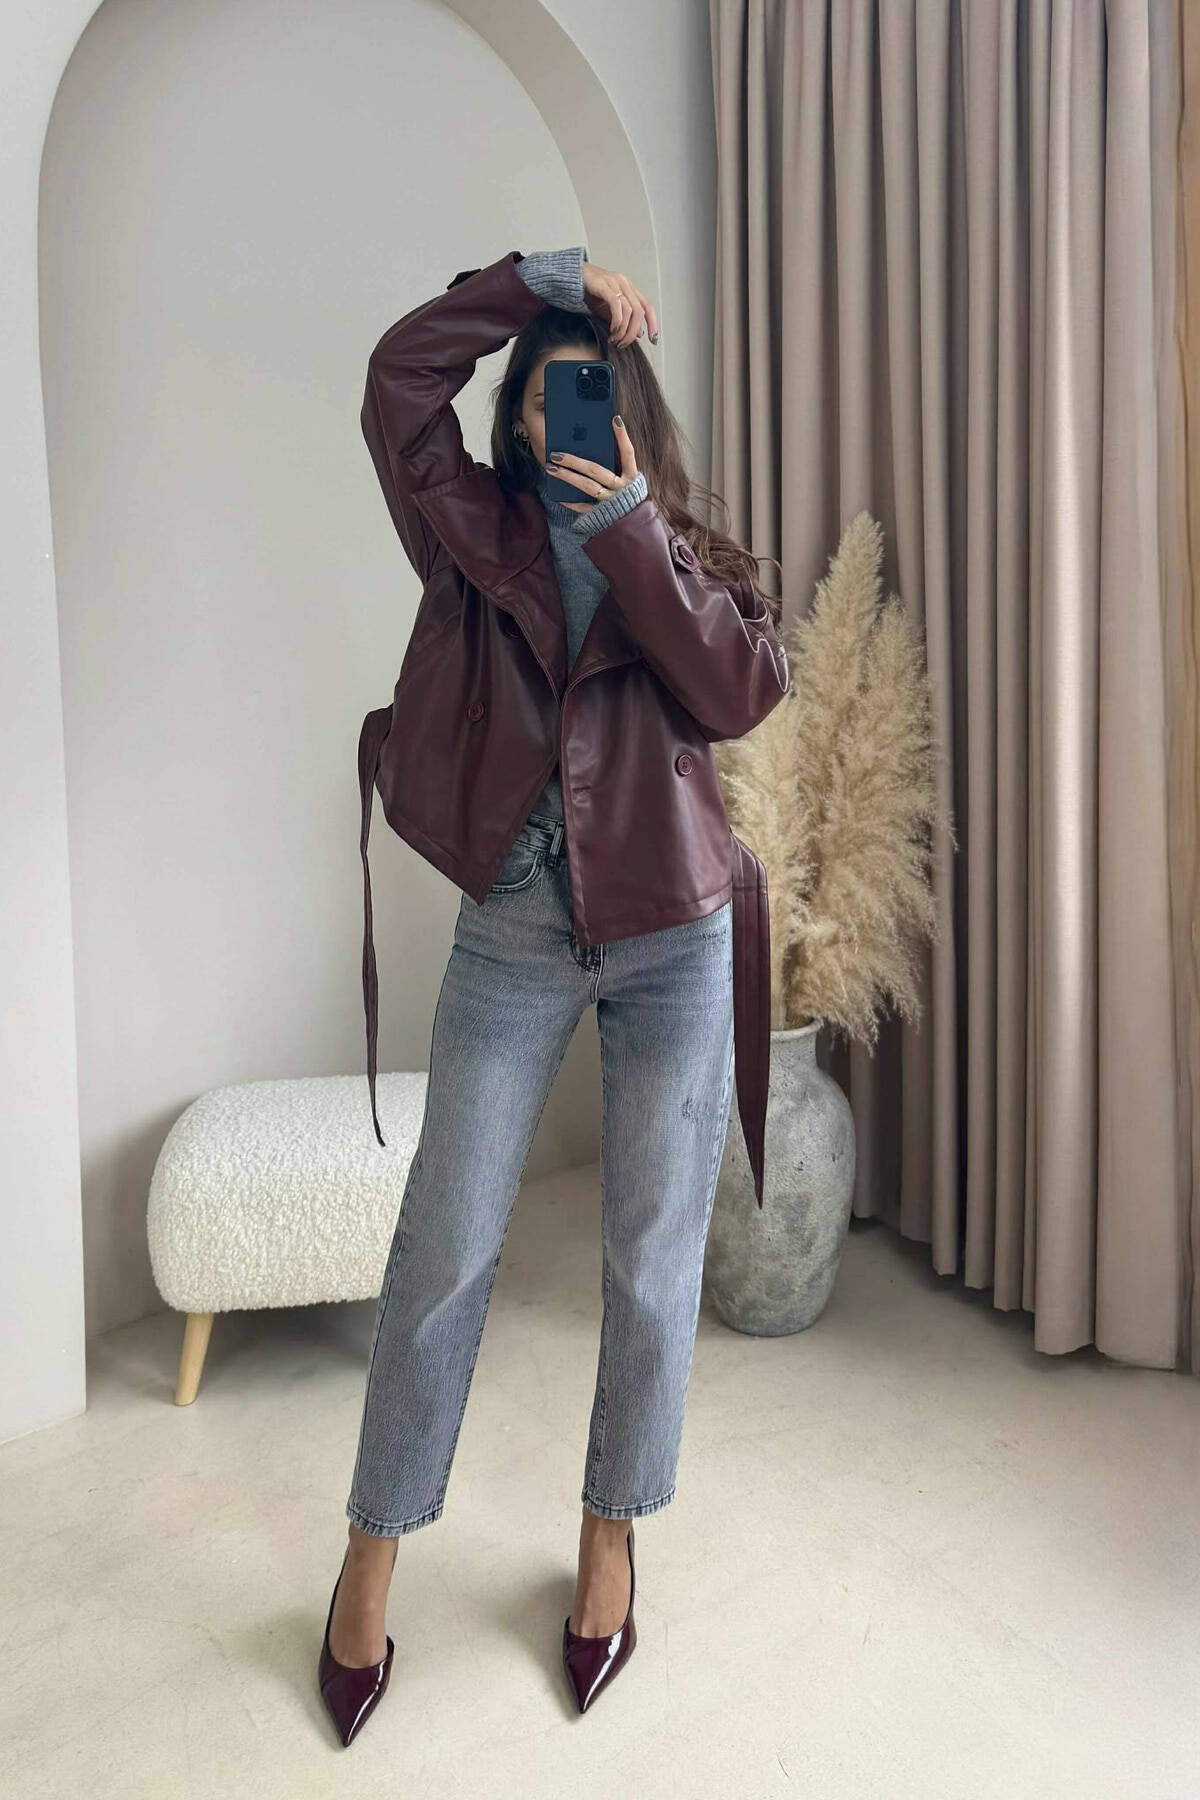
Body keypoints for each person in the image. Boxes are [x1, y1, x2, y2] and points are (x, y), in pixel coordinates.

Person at [318, 248, 787, 1742]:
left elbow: (739, 695)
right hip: (515, 934)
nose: (563, 414)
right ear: (517, 414)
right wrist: (536, 279)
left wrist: (633, 529)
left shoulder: (683, 548)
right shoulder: (467, 528)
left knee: (650, 1259)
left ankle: (609, 1542)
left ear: (625, 414)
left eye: (590, 393)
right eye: (543, 392)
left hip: (674, 934)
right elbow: (397, 379)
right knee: (445, 1248)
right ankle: (370, 1557)